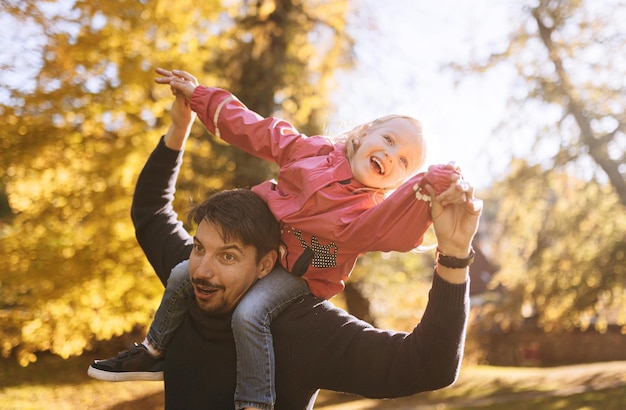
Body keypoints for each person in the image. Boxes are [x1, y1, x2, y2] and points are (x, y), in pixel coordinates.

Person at [89, 68, 470, 410]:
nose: (203, 268)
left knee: (251, 313)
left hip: (302, 274)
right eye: (387, 139)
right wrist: (190, 113)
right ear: (362, 133)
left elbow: (426, 364)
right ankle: (153, 351)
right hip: (276, 244)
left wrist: (450, 244)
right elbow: (255, 131)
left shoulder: (306, 323)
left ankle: (255, 403)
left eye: (404, 161)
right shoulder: (308, 155)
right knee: (177, 274)